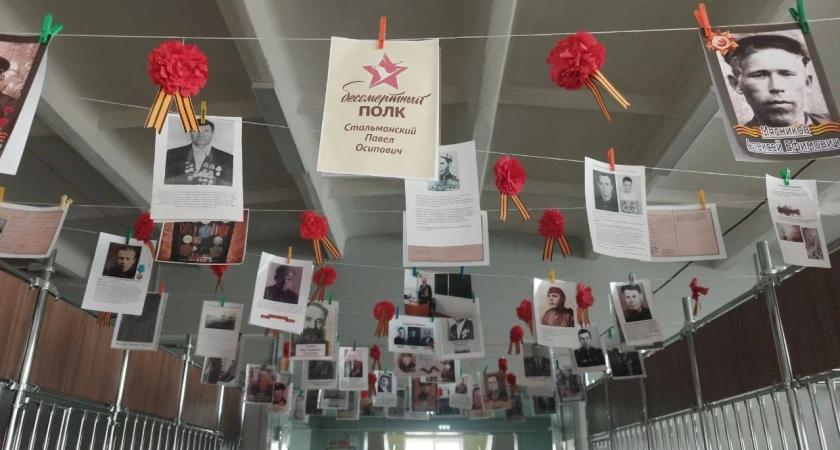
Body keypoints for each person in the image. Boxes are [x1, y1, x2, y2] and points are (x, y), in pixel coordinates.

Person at [724, 34, 829, 128]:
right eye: (759, 75)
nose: (776, 87)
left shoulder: (833, 124)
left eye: (787, 74)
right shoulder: (738, 139)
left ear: (807, 83)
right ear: (736, 84)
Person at [164, 120, 234, 186]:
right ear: (190, 132)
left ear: (212, 133)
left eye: (206, 131)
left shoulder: (228, 158)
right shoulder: (172, 154)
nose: (201, 135)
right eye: (196, 130)